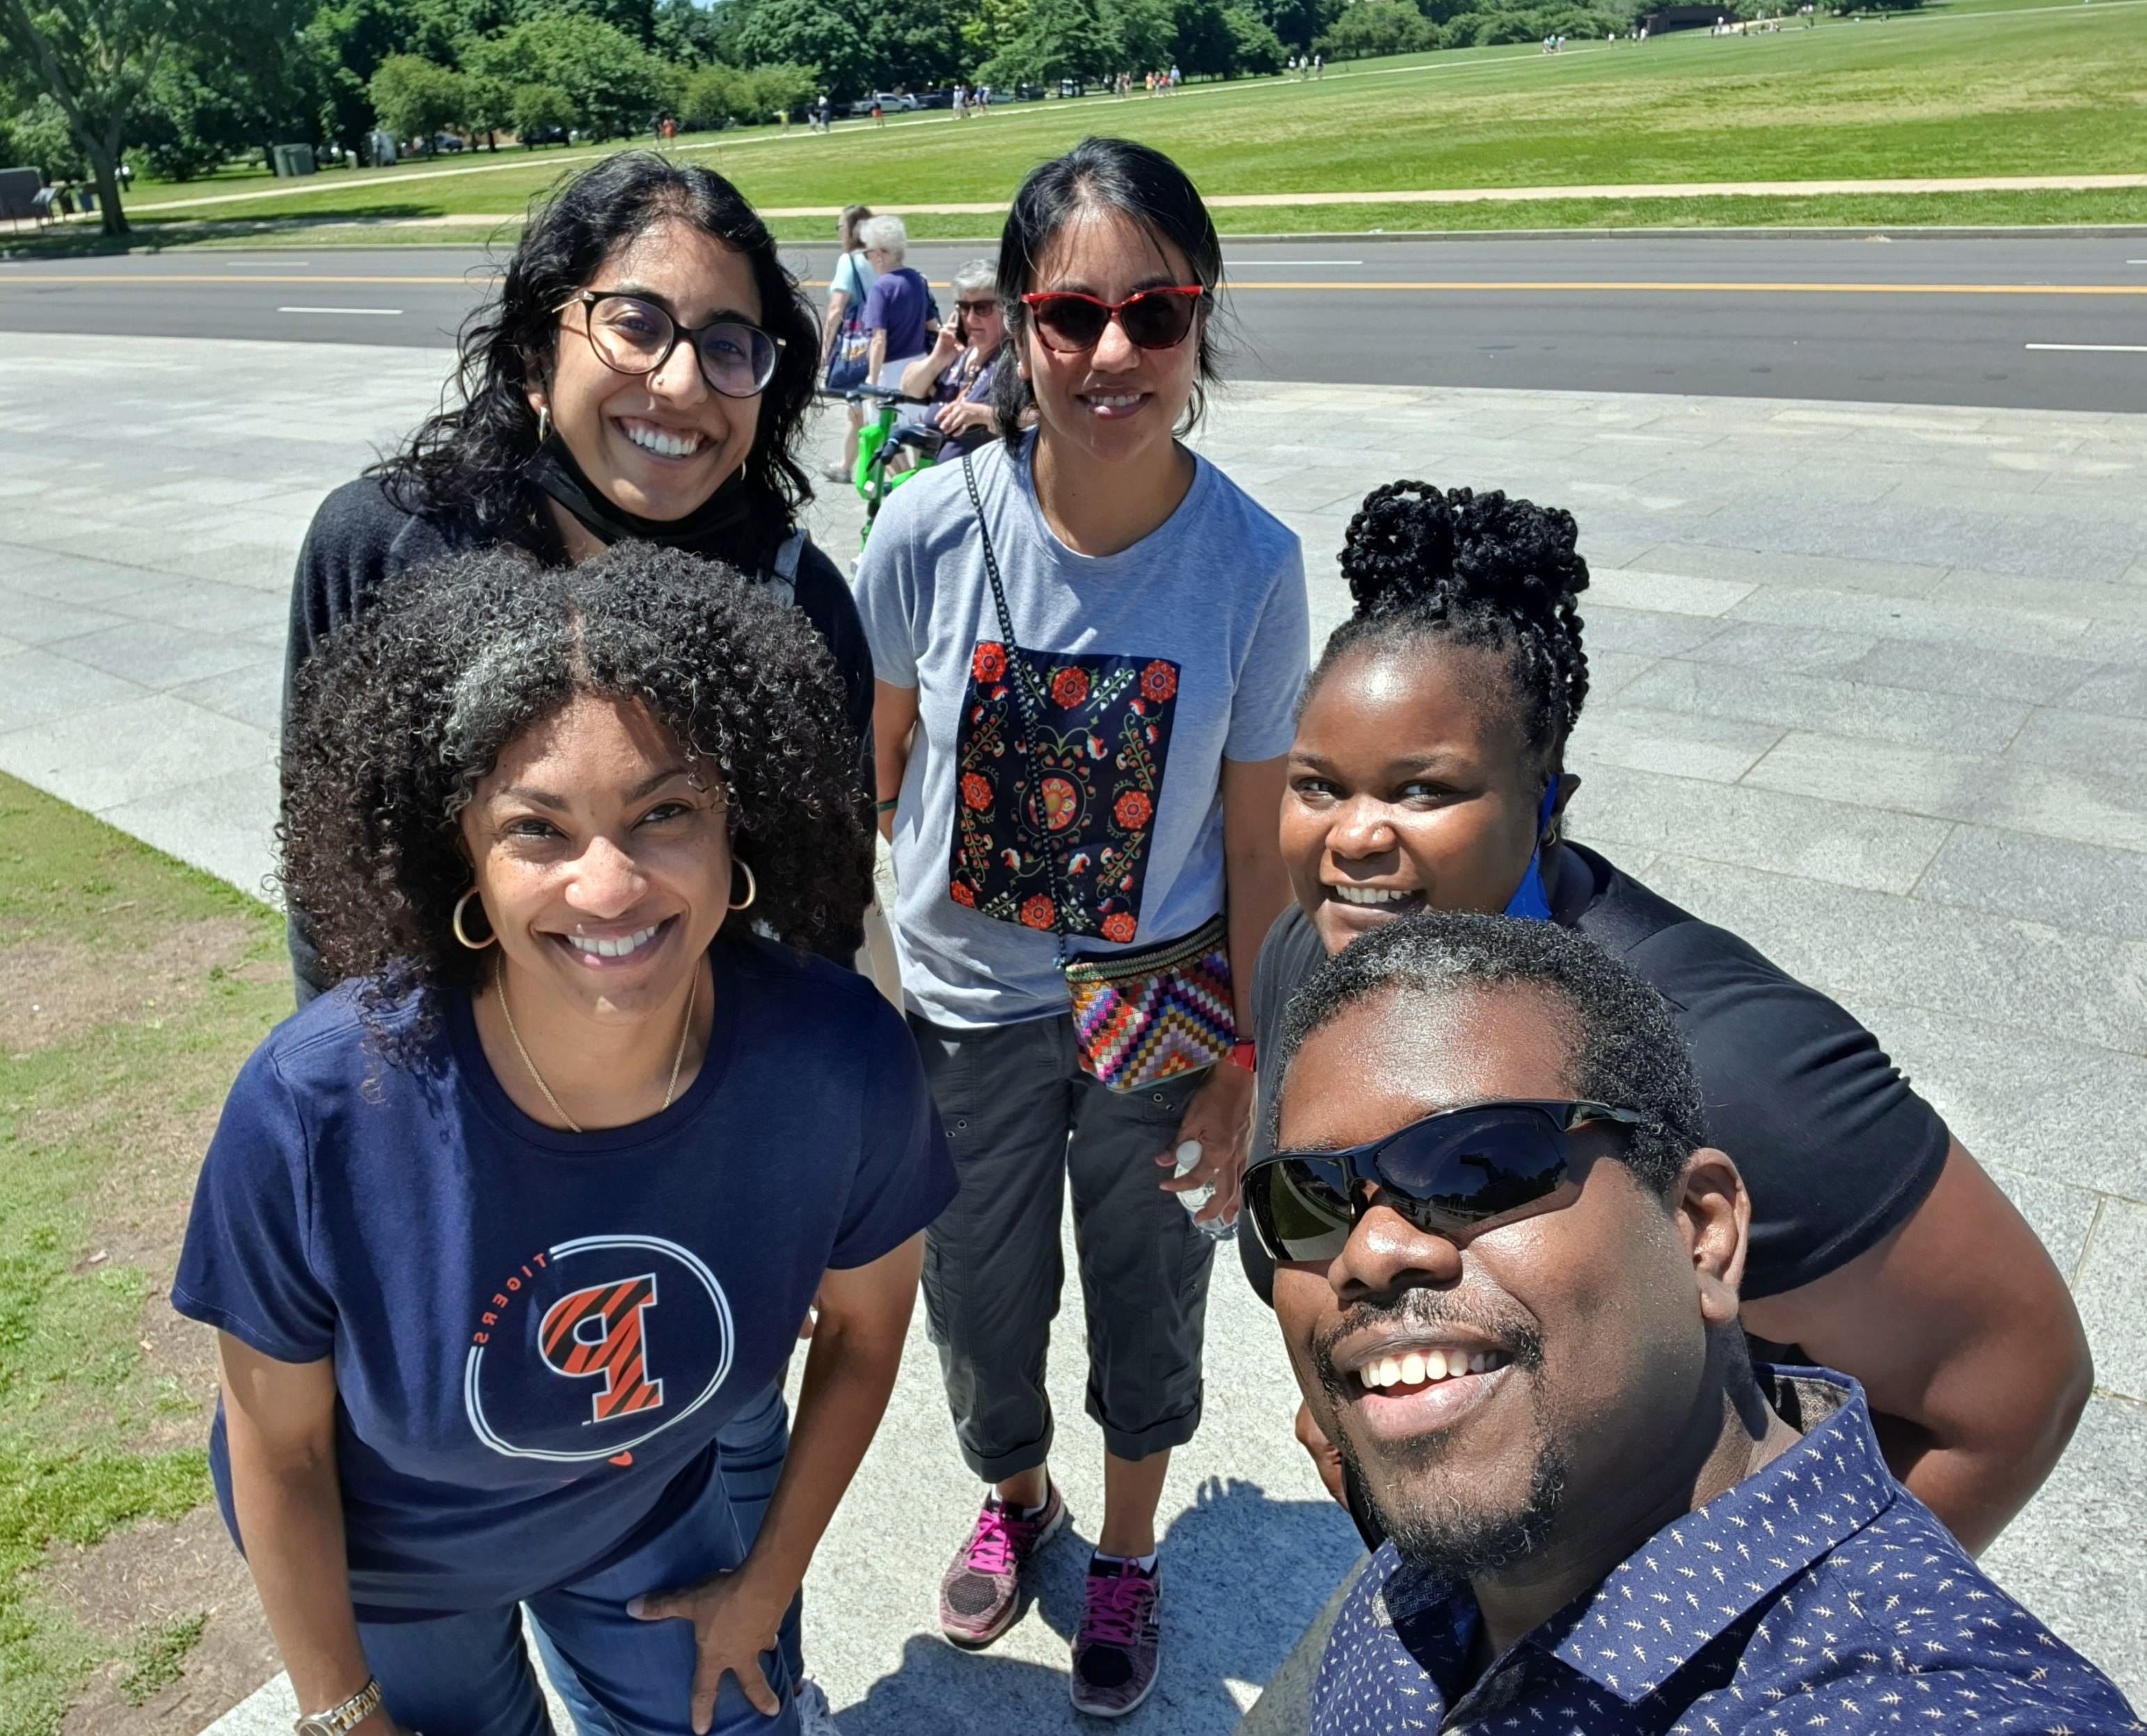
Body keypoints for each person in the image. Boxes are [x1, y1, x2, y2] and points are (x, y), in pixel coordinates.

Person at [176, 544, 957, 1736]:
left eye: (666, 812)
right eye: (538, 827)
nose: (609, 886)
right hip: (393, 1567)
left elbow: (863, 1328)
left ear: (737, 823)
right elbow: (275, 1452)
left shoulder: (837, 1059)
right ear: (463, 860)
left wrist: (766, 1583)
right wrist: (341, 1713)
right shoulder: (315, 1107)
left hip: (651, 1511)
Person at [1238, 482, 2091, 1558]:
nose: (1352, 837)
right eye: (1318, 785)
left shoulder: (1723, 1057)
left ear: (1548, 798)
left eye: (1422, 791)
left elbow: (2017, 1387)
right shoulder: (1309, 957)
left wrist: (1747, 1657)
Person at [1253, 915, 2141, 1736]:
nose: (1366, 1250)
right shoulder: (1461, 1541)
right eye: (1308, 1197)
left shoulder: (1931, 1701)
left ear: (1701, 1232)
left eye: (1480, 1166)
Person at [853, 136, 1308, 1717]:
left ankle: (1121, 1551)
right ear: (1015, 324)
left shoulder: (1250, 564)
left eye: (1156, 313)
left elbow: (1255, 837)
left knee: (1143, 1288)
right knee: (976, 1306)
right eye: (1070, 316)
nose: (1113, 354)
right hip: (963, 1014)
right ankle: (1018, 1494)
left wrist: (1253, 1052)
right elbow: (875, 763)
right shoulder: (921, 529)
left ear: (1198, 322)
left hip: (1160, 1010)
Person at [285, 152, 873, 992]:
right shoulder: (384, 545)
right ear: (534, 357)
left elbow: (823, 923)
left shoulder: (797, 602)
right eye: (635, 323)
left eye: (727, 345)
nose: (679, 382)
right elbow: (330, 888)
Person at [897, 258, 1008, 460]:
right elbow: (909, 387)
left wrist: (983, 414)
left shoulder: (1015, 359)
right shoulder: (960, 354)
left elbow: (1036, 419)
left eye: (982, 308)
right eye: (964, 308)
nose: (972, 318)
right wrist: (937, 358)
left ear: (1006, 308)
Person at [820, 203, 878, 482]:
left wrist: (826, 346)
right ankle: (845, 465)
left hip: (856, 346)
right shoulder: (879, 258)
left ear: (851, 230)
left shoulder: (850, 261)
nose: (838, 232)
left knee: (861, 413)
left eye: (840, 227)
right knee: (859, 410)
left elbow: (836, 308)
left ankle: (876, 469)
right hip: (880, 342)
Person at [857, 214, 934, 389]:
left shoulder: (881, 287)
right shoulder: (917, 279)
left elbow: (878, 339)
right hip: (919, 366)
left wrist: (873, 380)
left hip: (891, 373)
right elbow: (932, 324)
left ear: (878, 255)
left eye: (867, 254)